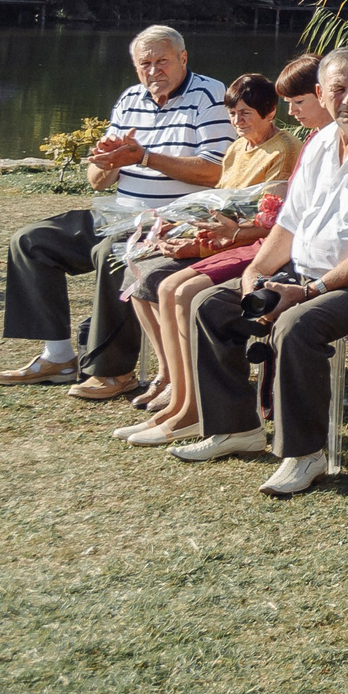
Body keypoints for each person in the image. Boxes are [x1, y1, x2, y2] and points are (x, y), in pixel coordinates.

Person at [176, 48, 348, 495]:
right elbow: (290, 222)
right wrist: (256, 270)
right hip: (309, 272)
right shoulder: (319, 143)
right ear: (321, 93)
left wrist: (310, 290)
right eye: (338, 89)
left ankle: (305, 453)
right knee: (210, 305)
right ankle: (237, 428)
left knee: (297, 325)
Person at [0, 25, 234, 401]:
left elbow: (216, 171)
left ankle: (113, 371)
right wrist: (108, 160)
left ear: (183, 59)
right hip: (121, 211)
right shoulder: (130, 99)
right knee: (30, 241)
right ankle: (58, 356)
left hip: (174, 219)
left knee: (115, 254)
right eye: (145, 64)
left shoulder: (210, 95)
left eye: (162, 62)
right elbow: (97, 182)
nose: (153, 71)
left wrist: (145, 157)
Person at [116, 73, 302, 445]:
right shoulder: (236, 149)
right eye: (232, 113)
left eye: (246, 112)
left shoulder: (284, 150)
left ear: (270, 111)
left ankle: (190, 401)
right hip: (221, 237)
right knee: (138, 269)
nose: (237, 120)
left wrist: (200, 245)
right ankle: (175, 386)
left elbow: (264, 221)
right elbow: (219, 203)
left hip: (246, 246)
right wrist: (180, 230)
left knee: (170, 286)